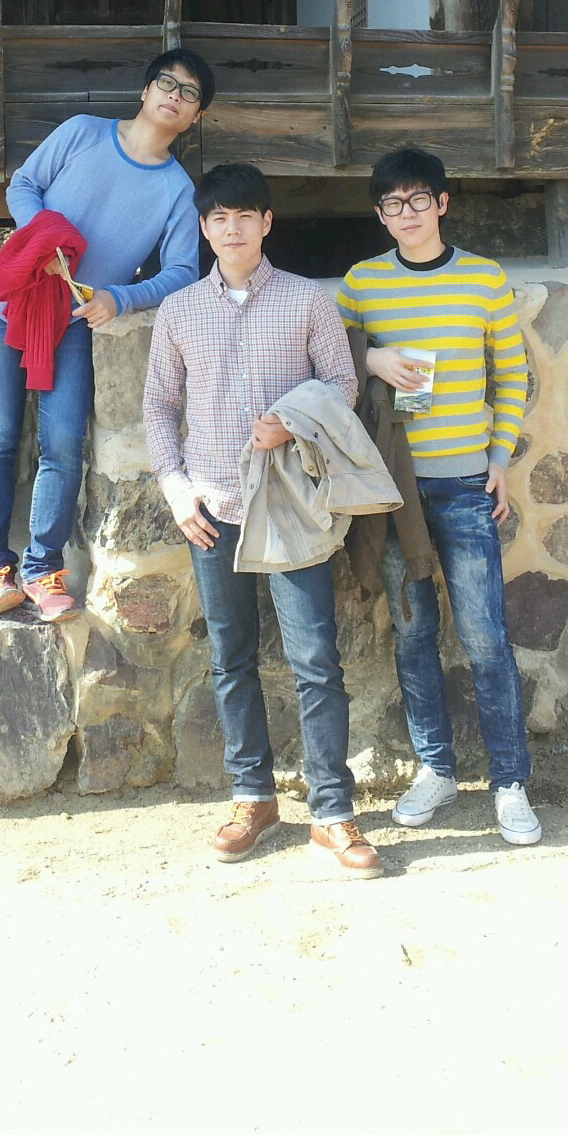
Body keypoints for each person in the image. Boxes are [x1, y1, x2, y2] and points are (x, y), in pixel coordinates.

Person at [144, 162, 384, 879]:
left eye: (245, 216)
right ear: (204, 227)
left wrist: (291, 422)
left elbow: (341, 382)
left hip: (290, 502)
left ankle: (331, 811)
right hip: (212, 507)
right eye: (219, 218)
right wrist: (176, 490)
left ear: (266, 222)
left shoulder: (307, 299)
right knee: (231, 658)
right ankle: (252, 798)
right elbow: (159, 405)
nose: (233, 229)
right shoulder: (179, 310)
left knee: (315, 660)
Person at [337, 145, 542, 847]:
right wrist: (370, 356)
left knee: (485, 637)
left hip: (463, 483)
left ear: (442, 203)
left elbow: (510, 374)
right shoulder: (362, 282)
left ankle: (509, 782)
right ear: (380, 214)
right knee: (413, 633)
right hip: (392, 488)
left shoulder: (483, 279)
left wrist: (499, 457)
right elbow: (327, 355)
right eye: (393, 204)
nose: (407, 213)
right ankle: (436, 769)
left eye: (418, 200)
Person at [0, 48, 213, 622]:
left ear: (196, 116)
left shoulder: (179, 190)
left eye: (189, 94)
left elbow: (183, 271)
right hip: (13, 302)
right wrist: (44, 238)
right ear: (145, 90)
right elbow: (24, 184)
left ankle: (42, 570)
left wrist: (117, 298)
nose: (174, 97)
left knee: (62, 445)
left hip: (76, 319)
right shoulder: (82, 132)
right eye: (167, 84)